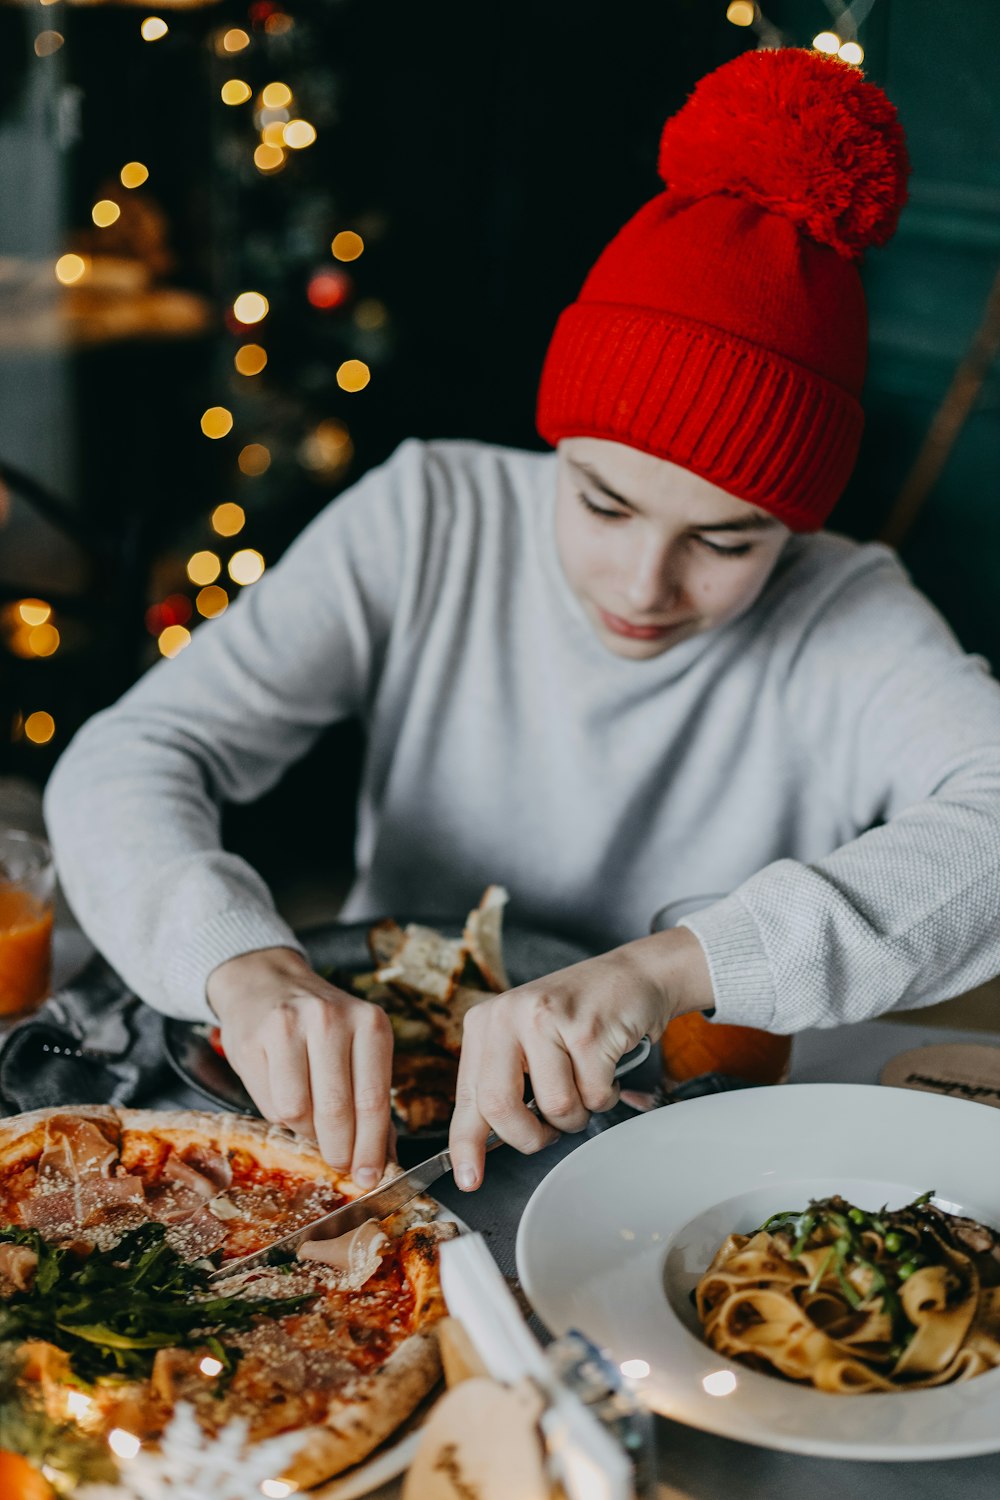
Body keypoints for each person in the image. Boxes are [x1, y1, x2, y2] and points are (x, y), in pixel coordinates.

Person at [45, 49, 1000, 1196]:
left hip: (678, 1154)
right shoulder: (430, 511)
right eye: (603, 501)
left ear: (794, 532)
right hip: (363, 1107)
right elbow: (134, 753)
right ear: (555, 446)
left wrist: (672, 968)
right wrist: (239, 961)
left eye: (728, 540)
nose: (644, 584)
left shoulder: (850, 610)